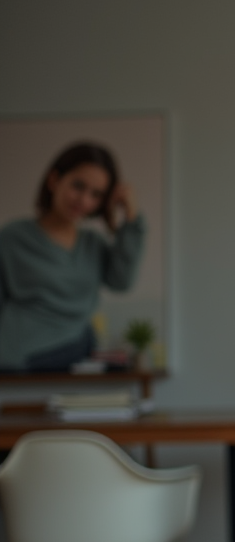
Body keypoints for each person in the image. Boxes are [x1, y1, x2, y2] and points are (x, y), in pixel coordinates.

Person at [0, 142, 145, 371]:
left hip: (72, 351)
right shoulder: (12, 238)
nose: (84, 201)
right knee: (90, 341)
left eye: (96, 194)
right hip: (17, 355)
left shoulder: (93, 244)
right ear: (54, 180)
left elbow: (122, 281)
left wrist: (131, 218)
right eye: (78, 186)